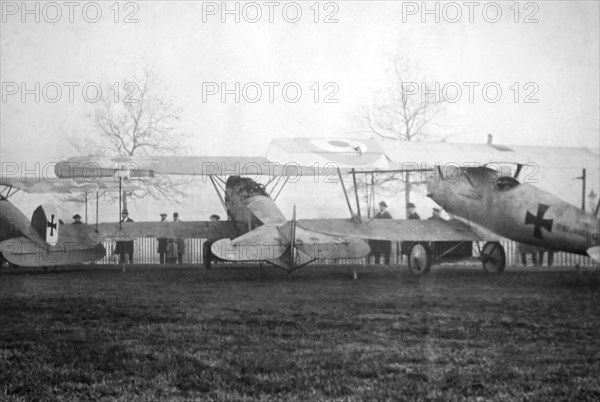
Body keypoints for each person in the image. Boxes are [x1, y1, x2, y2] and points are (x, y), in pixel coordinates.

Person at [370, 201, 393, 265]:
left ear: (385, 207)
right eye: (380, 206)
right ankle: (377, 263)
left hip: (386, 236)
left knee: (386, 250)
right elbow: (373, 222)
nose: (381, 207)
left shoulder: (388, 215)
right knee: (377, 249)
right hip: (378, 235)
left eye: (382, 206)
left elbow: (391, 226)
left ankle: (387, 263)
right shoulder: (377, 214)